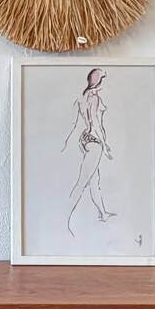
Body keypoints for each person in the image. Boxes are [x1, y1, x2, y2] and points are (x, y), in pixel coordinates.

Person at [60, 67, 116, 235]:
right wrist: (105, 145)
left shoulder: (83, 96)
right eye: (104, 79)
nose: (105, 83)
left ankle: (103, 213)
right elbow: (95, 123)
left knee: (94, 182)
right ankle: (64, 219)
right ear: (99, 81)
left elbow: (79, 122)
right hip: (95, 141)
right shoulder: (94, 97)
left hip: (85, 140)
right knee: (82, 183)